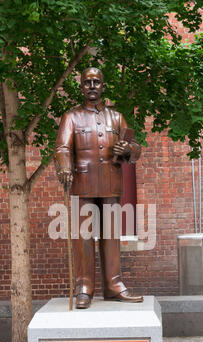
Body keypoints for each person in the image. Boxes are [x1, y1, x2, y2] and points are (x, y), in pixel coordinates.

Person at [54, 67, 143, 309]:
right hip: (82, 183)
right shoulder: (71, 117)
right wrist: (64, 166)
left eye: (96, 82)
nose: (92, 86)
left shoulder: (117, 117)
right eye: (87, 82)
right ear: (81, 86)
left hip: (111, 182)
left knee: (111, 236)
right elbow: (62, 147)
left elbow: (135, 148)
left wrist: (127, 150)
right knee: (83, 236)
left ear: (103, 87)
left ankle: (114, 285)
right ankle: (84, 287)